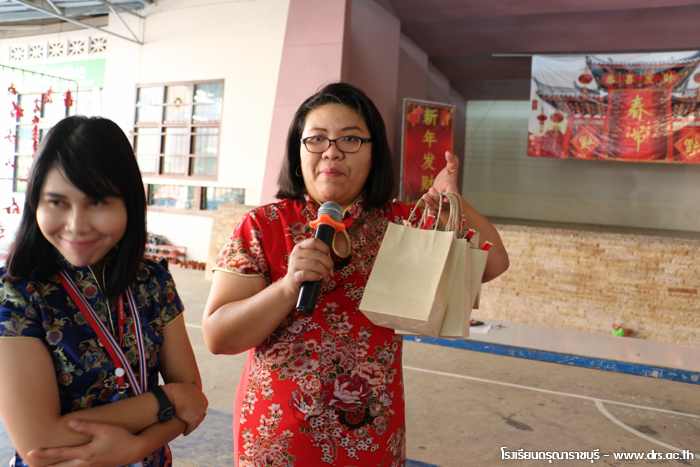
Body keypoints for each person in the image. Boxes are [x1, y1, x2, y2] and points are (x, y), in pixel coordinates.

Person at [202, 82, 508, 466]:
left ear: (374, 155)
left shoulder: (403, 225)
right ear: (298, 153)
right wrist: (287, 287)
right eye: (316, 138)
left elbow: (495, 263)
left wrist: (452, 205)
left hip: (371, 437)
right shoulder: (263, 226)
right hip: (279, 441)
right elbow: (218, 336)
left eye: (350, 139)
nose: (331, 151)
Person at [0, 116, 208, 467]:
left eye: (97, 202)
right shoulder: (17, 294)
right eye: (57, 202)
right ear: (35, 203)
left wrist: (135, 449)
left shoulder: (153, 281)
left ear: (129, 204)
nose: (76, 226)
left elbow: (194, 400)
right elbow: (38, 441)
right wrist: (165, 400)